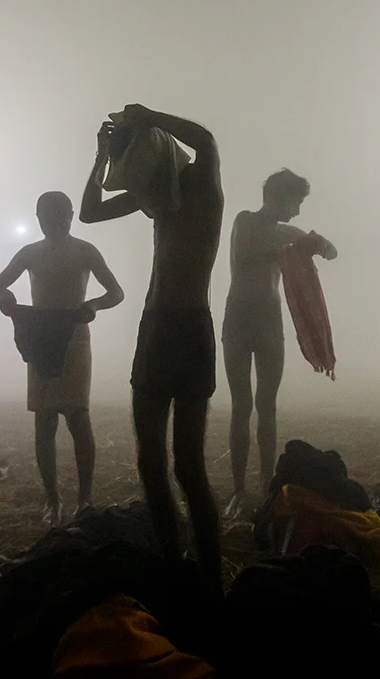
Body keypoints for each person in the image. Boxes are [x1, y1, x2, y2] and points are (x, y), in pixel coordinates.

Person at [79, 104, 224, 591]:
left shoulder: (201, 187)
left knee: (188, 465)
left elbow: (205, 138)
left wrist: (148, 116)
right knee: (149, 461)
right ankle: (172, 558)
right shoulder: (153, 198)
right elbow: (90, 212)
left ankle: (210, 579)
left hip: (189, 330)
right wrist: (100, 157)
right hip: (155, 328)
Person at [0, 190, 124, 527]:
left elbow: (116, 293)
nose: (57, 222)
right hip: (40, 337)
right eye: (49, 216)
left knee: (78, 417)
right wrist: (7, 298)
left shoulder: (84, 251)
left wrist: (93, 305)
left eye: (63, 215)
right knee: (45, 420)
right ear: (39, 219)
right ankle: (53, 500)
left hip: (74, 336)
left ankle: (84, 498)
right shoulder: (30, 253)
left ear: (71, 216)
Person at [221, 169, 336, 517]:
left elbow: (330, 251)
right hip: (239, 320)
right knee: (242, 406)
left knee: (266, 405)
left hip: (270, 323)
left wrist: (320, 245)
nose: (297, 211)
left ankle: (266, 486)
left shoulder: (290, 233)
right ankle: (239, 490)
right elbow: (244, 255)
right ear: (275, 196)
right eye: (295, 202)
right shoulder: (246, 221)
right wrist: (293, 247)